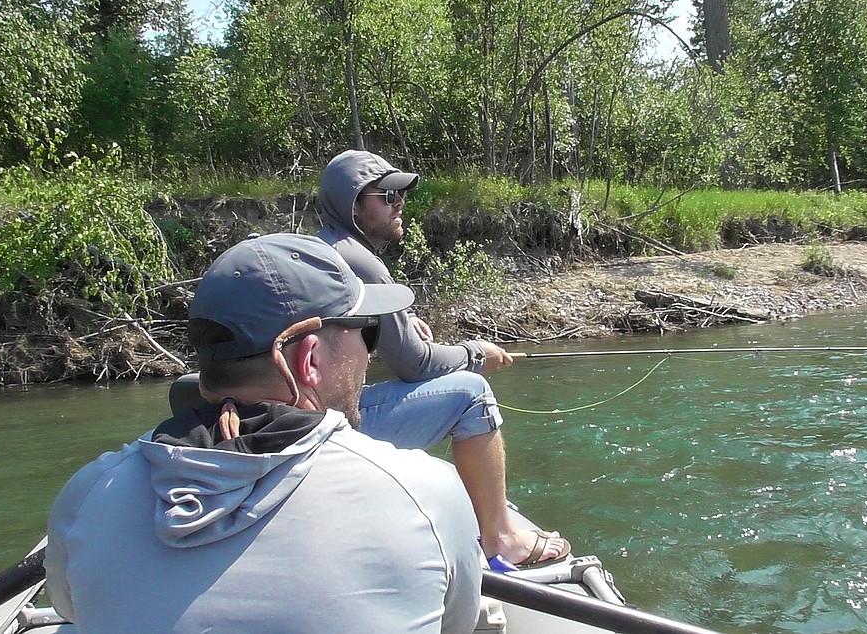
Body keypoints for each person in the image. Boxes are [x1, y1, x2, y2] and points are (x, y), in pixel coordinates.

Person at [44, 234, 483, 634]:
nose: (370, 355)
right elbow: (456, 625)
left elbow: (70, 608)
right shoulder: (425, 493)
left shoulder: (89, 492)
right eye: (367, 333)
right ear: (308, 360)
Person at [317, 149, 571, 569]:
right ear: (353, 205)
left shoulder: (323, 249)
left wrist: (404, 317)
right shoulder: (361, 261)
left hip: (296, 415)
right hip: (326, 427)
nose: (400, 203)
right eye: (387, 195)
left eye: (400, 194)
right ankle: (501, 538)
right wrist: (476, 354)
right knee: (471, 393)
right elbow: (414, 365)